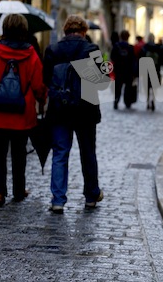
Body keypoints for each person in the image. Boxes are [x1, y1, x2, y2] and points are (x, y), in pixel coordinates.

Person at [0, 14, 47, 207]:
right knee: (19, 154)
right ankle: (18, 191)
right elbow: (38, 85)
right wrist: (42, 100)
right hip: (22, 115)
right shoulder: (31, 54)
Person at [43, 15, 104, 214]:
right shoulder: (91, 50)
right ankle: (91, 196)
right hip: (85, 110)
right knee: (88, 153)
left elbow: (46, 79)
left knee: (60, 153)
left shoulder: (53, 50)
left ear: (65, 30)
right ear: (84, 31)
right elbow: (100, 81)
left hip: (60, 110)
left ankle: (58, 199)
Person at [111, 30, 136, 109]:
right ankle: (127, 102)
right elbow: (133, 60)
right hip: (128, 71)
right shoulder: (130, 47)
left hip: (118, 70)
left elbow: (112, 57)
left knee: (118, 87)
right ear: (128, 37)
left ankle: (116, 100)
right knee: (128, 87)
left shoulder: (116, 46)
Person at [141, 34, 160, 111]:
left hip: (147, 70)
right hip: (155, 70)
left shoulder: (145, 47)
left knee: (147, 88)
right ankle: (153, 101)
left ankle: (148, 102)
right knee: (154, 88)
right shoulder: (157, 47)